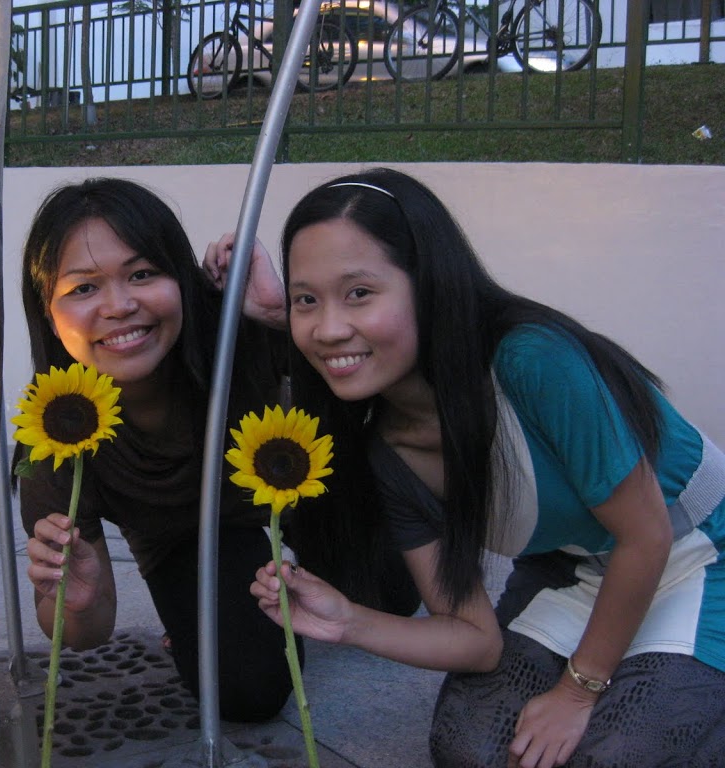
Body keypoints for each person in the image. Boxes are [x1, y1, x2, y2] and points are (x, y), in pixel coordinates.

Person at [237, 168, 725, 765]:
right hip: (573, 573)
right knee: (470, 745)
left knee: (616, 755)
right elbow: (474, 639)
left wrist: (578, 689)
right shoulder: (389, 452)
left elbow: (646, 535)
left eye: (359, 292)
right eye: (306, 300)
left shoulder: (532, 360)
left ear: (429, 284)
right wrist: (348, 622)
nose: (329, 328)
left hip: (698, 557)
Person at [12, 177, 298, 722]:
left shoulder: (236, 334)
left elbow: (359, 395)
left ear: (181, 278)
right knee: (247, 690)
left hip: (306, 504)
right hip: (190, 539)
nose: (120, 306)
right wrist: (79, 597)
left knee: (381, 595)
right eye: (83, 288)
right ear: (47, 312)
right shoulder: (54, 436)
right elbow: (84, 635)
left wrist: (280, 316)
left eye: (143, 274)